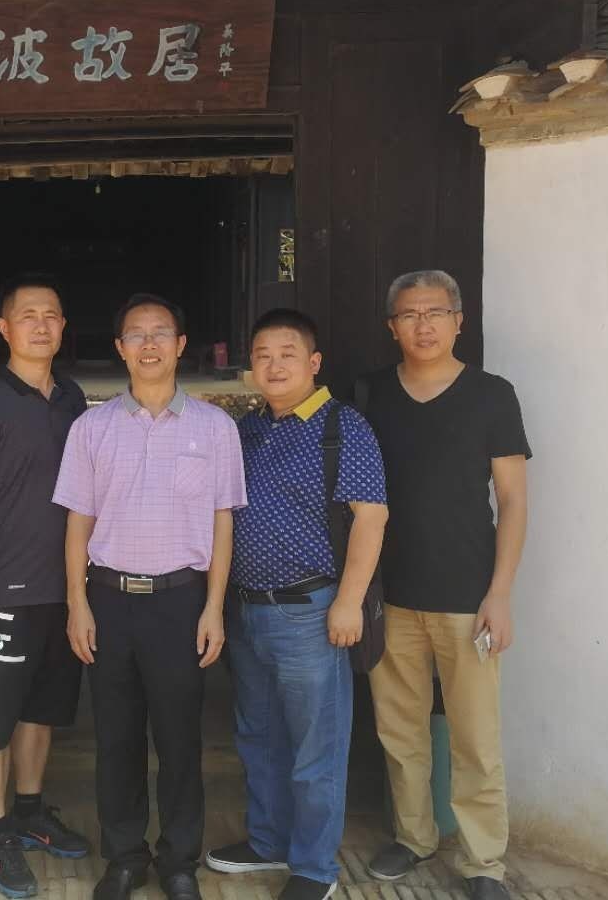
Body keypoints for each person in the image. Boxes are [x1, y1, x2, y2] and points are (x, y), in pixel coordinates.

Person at [53, 293, 246, 900]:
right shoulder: (91, 428)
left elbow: (222, 523)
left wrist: (214, 607)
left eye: (161, 332)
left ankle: (179, 859)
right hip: (109, 599)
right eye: (136, 334)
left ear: (181, 345)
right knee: (116, 738)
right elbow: (77, 524)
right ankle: (124, 856)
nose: (149, 343)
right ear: (120, 348)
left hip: (181, 600)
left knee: (180, 738)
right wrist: (77, 603)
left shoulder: (215, 428)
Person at [204, 309, 388, 900]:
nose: (274, 365)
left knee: (316, 748)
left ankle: (314, 868)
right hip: (246, 610)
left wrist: (349, 602)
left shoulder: (343, 427)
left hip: (312, 611)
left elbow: (371, 517)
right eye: (262, 355)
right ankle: (268, 841)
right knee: (258, 738)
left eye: (287, 354)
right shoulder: (247, 429)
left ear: (314, 362)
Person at [361, 270, 530, 900]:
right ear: (392, 327)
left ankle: (484, 863)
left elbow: (512, 501)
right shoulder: (371, 394)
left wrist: (500, 593)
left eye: (435, 312)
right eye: (409, 314)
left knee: (475, 738)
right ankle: (414, 838)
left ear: (459, 321)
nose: (423, 325)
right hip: (390, 594)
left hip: (468, 597)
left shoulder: (492, 395)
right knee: (399, 730)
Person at [0, 273, 92, 899]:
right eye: (28, 315)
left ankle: (31, 812)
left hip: (63, 589)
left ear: (63, 328)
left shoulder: (71, 397)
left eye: (52, 315)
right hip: (1, 591)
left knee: (42, 712)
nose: (41, 324)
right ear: (4, 329)